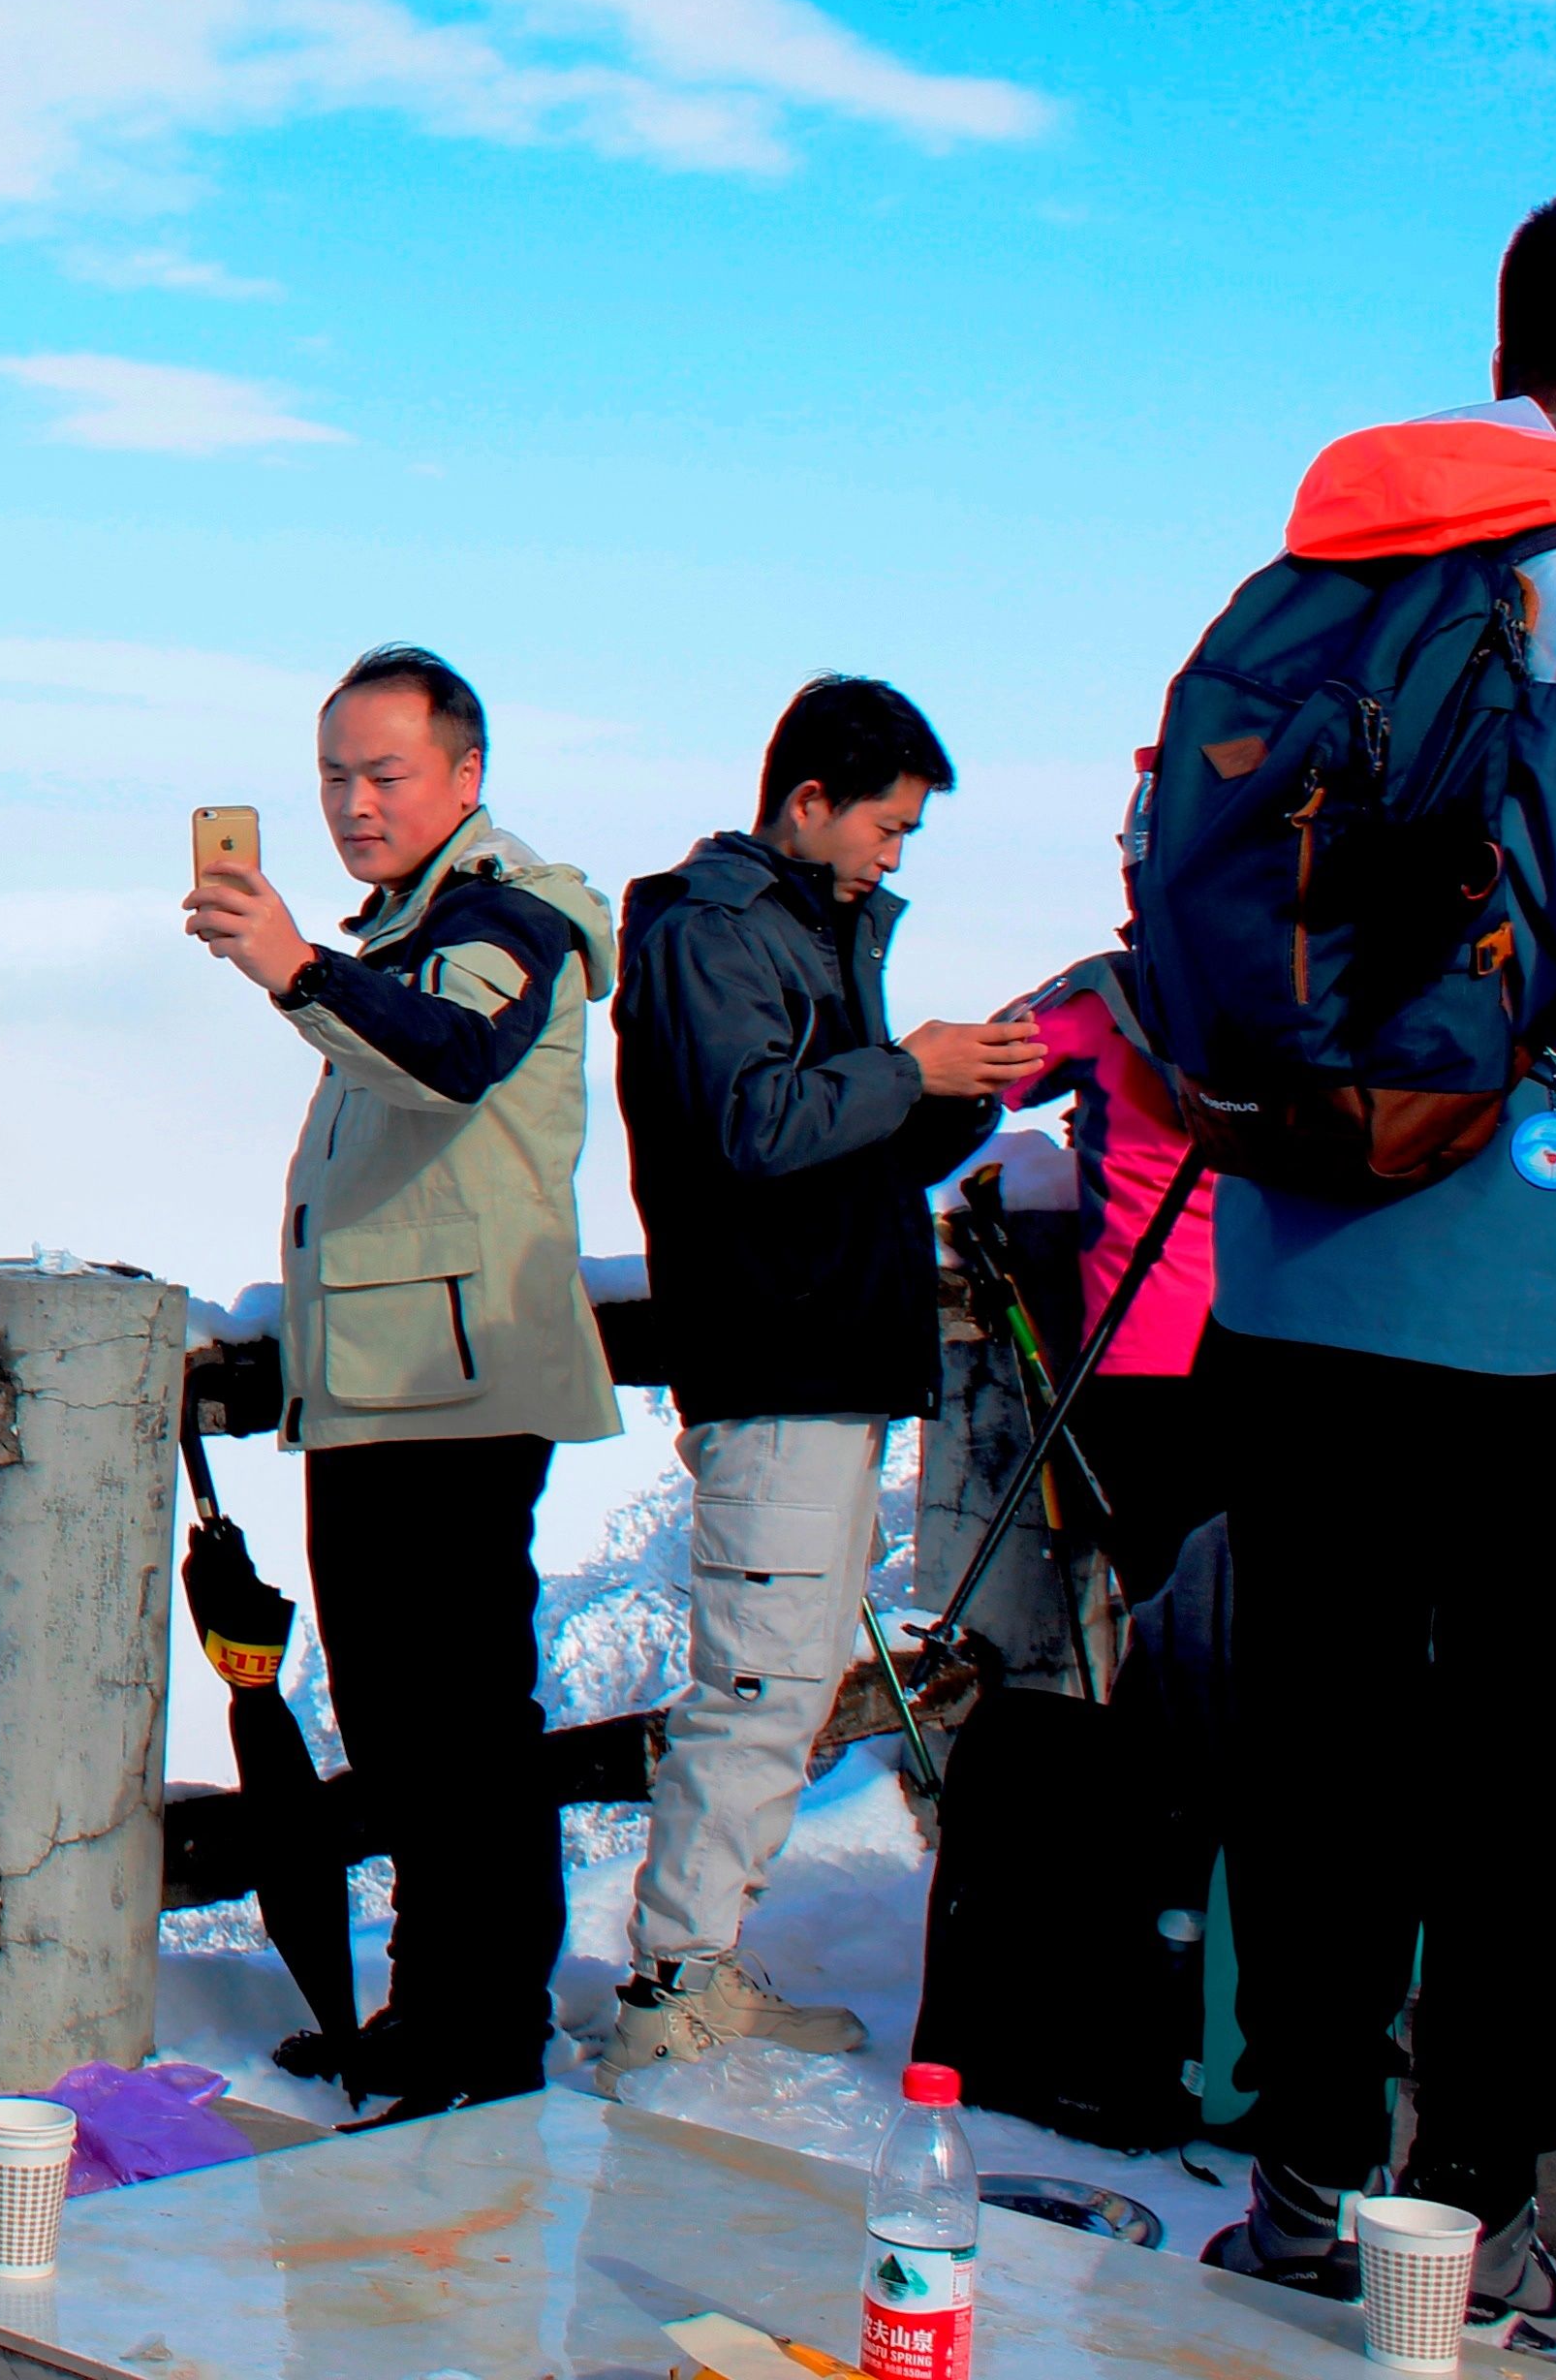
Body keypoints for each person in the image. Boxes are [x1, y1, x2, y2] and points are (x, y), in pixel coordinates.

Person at [1178, 185, 1556, 2334]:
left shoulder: (1331, 566)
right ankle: (1471, 2212)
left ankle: (1296, 2171)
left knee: (1323, 1727)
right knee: (1536, 1754)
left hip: (1295, 1256)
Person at [181, 645, 620, 2122]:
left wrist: (301, 967)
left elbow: (449, 1060)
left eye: (385, 776)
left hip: (455, 1383)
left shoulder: (506, 917)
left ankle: (481, 2036)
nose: (355, 807)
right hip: (387, 1379)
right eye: (334, 779)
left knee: (461, 1725)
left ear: (466, 775)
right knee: (407, 1719)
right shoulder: (422, 920)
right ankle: (435, 2010)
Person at [597, 673, 1029, 2082]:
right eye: (887, 827)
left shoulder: (801, 929)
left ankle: (695, 1961)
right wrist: (914, 1068)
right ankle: (673, 1988)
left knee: (781, 1677)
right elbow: (753, 1129)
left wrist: (964, 1090)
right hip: (776, 1351)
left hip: (826, 1349)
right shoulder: (716, 934)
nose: (893, 855)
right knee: (764, 1679)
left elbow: (834, 1145)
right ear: (808, 803)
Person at [993, 927, 1226, 1596]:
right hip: (1281, 1331)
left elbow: (995, 1068)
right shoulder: (1301, 985)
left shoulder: (1107, 995)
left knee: (1164, 1589)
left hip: (1141, 1338)